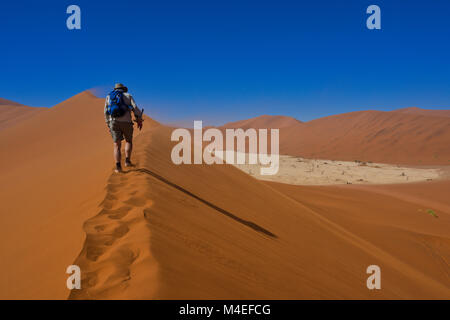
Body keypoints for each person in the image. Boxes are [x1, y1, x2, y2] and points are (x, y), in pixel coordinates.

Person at [104, 83, 143, 173]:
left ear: (115, 89)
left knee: (117, 145)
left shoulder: (109, 96)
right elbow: (135, 108)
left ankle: (118, 167)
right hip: (127, 122)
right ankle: (127, 161)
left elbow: (105, 111)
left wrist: (108, 124)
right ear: (123, 89)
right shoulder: (128, 95)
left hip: (113, 122)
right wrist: (139, 119)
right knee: (128, 141)